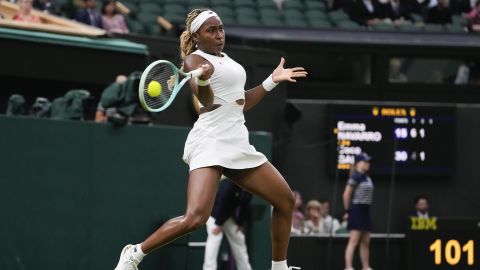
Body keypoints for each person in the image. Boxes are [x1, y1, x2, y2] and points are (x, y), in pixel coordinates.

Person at [113, 8, 307, 270]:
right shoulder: (193, 61)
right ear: (197, 37)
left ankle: (279, 268)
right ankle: (135, 253)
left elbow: (241, 103)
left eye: (221, 29)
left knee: (285, 200)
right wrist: (203, 82)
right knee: (195, 218)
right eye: (211, 30)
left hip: (237, 141)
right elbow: (207, 102)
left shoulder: (228, 61)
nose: (219, 35)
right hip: (211, 141)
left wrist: (271, 80)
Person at [203, 179, 253, 270]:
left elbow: (245, 206)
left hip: (227, 216)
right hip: (214, 214)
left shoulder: (250, 189)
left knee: (239, 238)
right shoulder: (230, 185)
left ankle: (245, 268)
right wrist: (219, 224)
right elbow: (222, 202)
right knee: (215, 239)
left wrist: (240, 223)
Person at [343, 153, 374, 270]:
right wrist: (347, 211)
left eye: (368, 162)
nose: (367, 164)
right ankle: (348, 267)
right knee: (354, 240)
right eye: (365, 161)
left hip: (366, 210)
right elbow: (346, 194)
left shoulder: (367, 177)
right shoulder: (355, 177)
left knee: (365, 241)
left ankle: (366, 267)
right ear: (358, 164)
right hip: (357, 210)